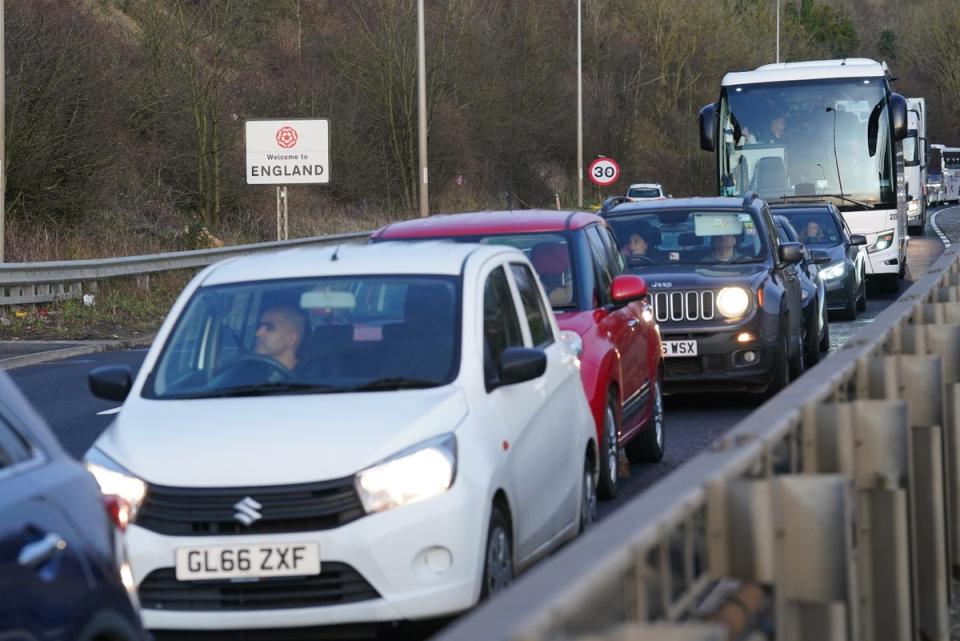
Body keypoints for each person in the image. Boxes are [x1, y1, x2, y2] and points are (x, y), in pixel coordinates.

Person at [254, 303, 307, 372]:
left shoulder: (312, 378)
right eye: (259, 326)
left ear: (291, 339)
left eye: (270, 327)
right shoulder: (248, 370)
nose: (258, 333)